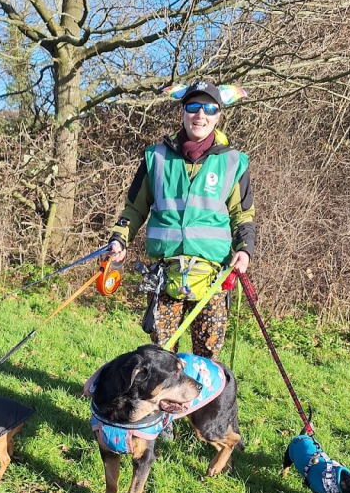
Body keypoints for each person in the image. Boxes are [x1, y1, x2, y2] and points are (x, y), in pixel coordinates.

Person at [108, 80, 255, 359]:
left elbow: (243, 215)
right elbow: (134, 209)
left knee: (206, 358)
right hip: (165, 275)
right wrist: (120, 238)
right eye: (193, 106)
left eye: (209, 108)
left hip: (213, 277)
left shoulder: (234, 162)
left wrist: (245, 250)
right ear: (182, 111)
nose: (201, 115)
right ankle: (165, 404)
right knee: (161, 359)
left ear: (218, 115)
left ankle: (204, 404)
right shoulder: (155, 157)